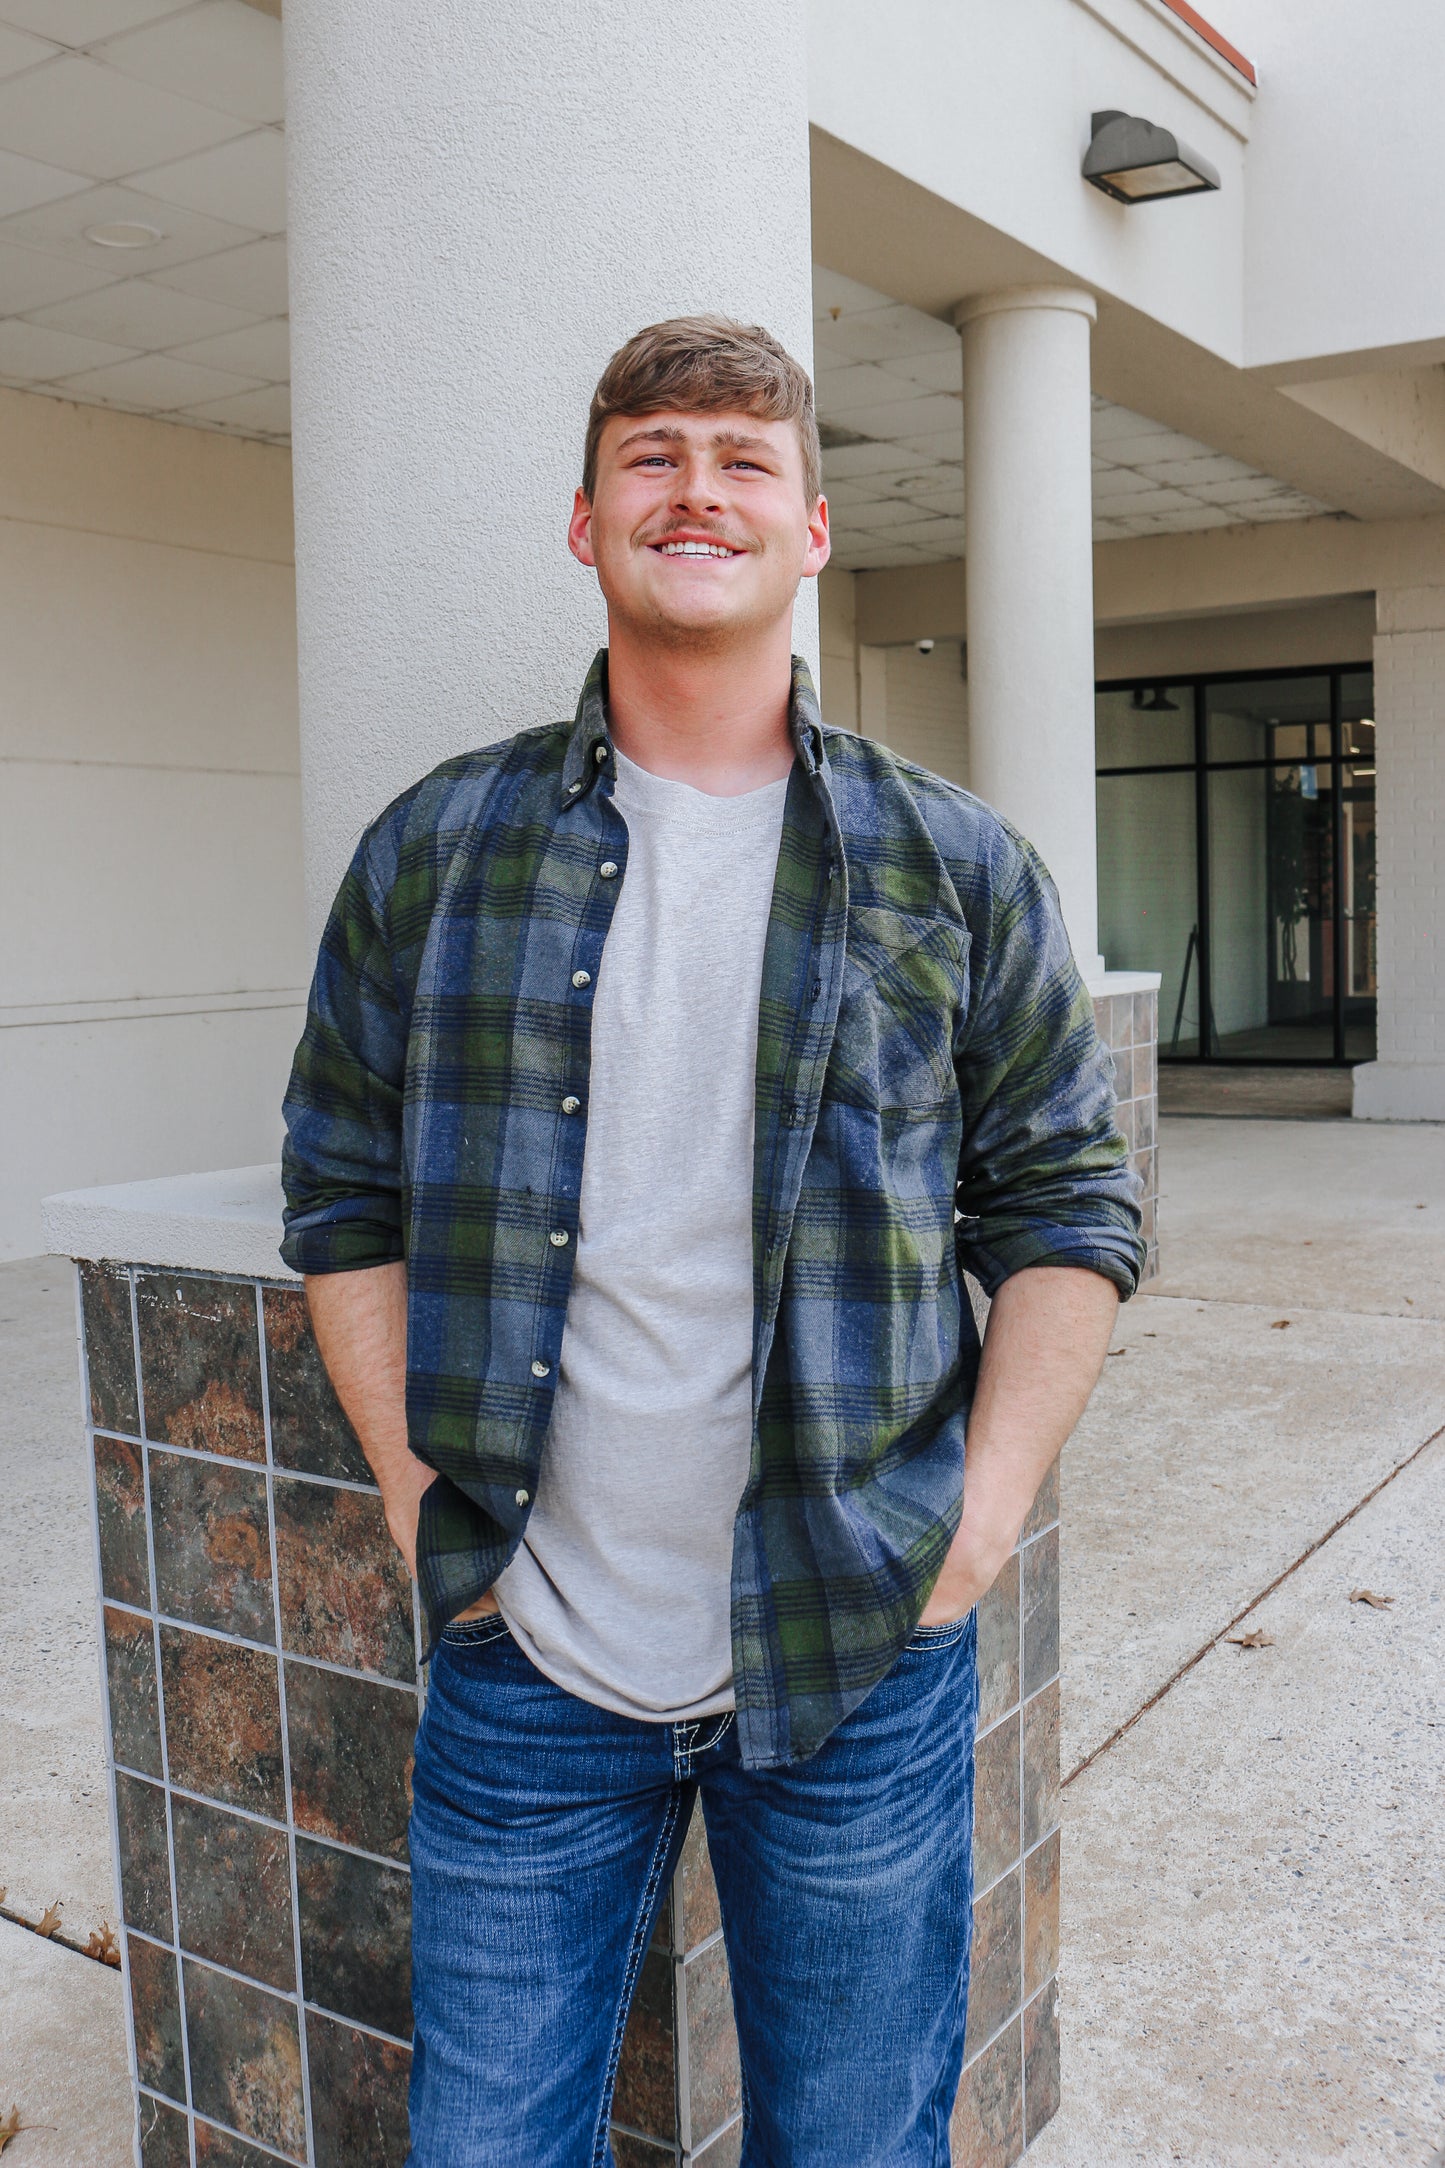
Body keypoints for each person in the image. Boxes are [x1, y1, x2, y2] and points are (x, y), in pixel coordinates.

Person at [280, 314, 1143, 2166]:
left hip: (854, 1653)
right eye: (653, 456)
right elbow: (342, 1191)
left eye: (744, 461)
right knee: (484, 2148)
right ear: (584, 523)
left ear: (811, 530)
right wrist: (415, 1487)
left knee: (850, 2143)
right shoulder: (437, 850)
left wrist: (975, 1522)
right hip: (529, 1663)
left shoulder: (953, 865)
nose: (698, 490)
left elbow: (1068, 1205)